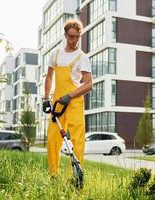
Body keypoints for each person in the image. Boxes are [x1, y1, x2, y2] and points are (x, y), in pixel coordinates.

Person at [42, 19, 92, 177]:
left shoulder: (82, 57)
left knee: (77, 141)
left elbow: (89, 84)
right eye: (71, 37)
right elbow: (49, 77)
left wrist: (70, 95)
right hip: (57, 101)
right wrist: (45, 98)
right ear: (65, 35)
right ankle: (53, 176)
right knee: (52, 140)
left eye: (77, 37)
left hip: (74, 102)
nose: (75, 40)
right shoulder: (55, 54)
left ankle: (77, 178)